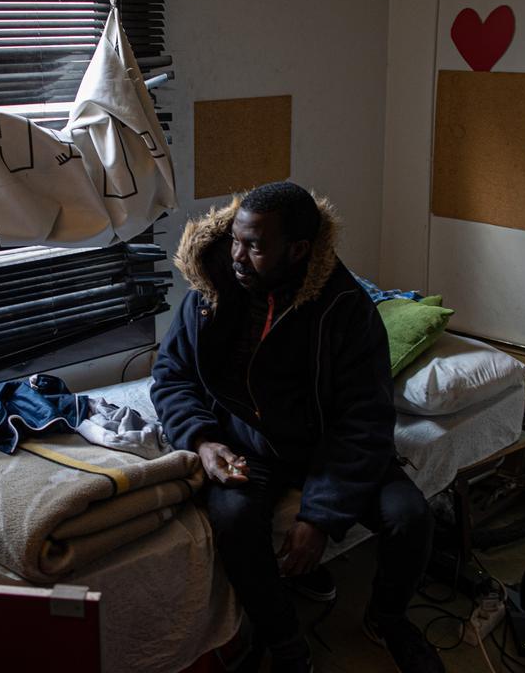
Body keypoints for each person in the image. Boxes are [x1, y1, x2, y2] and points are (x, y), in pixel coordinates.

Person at [151, 182, 442, 673]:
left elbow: (364, 422)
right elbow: (172, 374)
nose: (238, 256)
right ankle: (285, 642)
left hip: (324, 447)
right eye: (236, 240)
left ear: (299, 250)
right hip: (246, 442)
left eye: (256, 246)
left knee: (410, 517)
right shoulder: (210, 290)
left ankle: (388, 619)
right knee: (235, 520)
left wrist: (320, 516)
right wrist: (204, 440)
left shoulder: (345, 310)